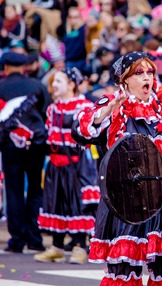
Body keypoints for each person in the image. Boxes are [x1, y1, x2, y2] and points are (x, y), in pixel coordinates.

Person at [71, 51, 162, 285]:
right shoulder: (113, 104)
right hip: (126, 199)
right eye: (139, 73)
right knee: (124, 262)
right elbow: (81, 132)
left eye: (150, 72)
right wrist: (107, 111)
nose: (146, 77)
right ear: (125, 79)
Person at [35, 67, 97, 264]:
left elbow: (86, 136)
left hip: (75, 166)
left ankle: (79, 246)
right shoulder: (53, 108)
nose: (54, 85)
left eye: (59, 81)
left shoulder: (83, 106)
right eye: (54, 81)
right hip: (55, 165)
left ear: (72, 85)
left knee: (76, 204)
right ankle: (57, 246)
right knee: (56, 203)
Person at [0, 52, 52, 253]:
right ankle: (35, 237)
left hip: (9, 144)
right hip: (35, 143)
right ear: (24, 68)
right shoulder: (37, 85)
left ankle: (17, 239)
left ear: (5, 68)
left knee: (13, 190)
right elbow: (47, 113)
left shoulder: (1, 87)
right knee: (35, 190)